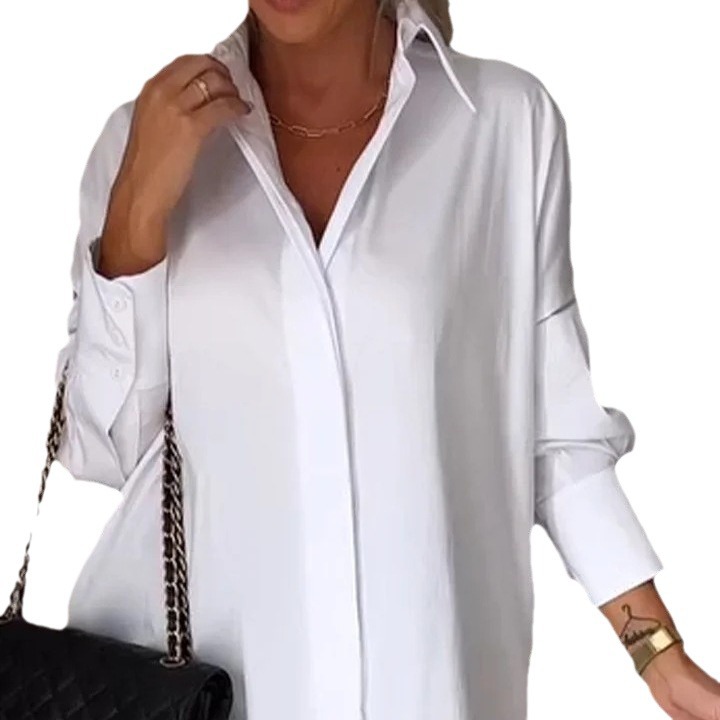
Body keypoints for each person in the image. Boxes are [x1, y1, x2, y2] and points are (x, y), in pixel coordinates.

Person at [51, 0, 720, 718]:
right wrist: (135, 216)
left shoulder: (502, 122)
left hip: (429, 690)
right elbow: (102, 449)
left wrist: (659, 656)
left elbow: (554, 433)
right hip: (207, 697)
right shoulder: (143, 137)